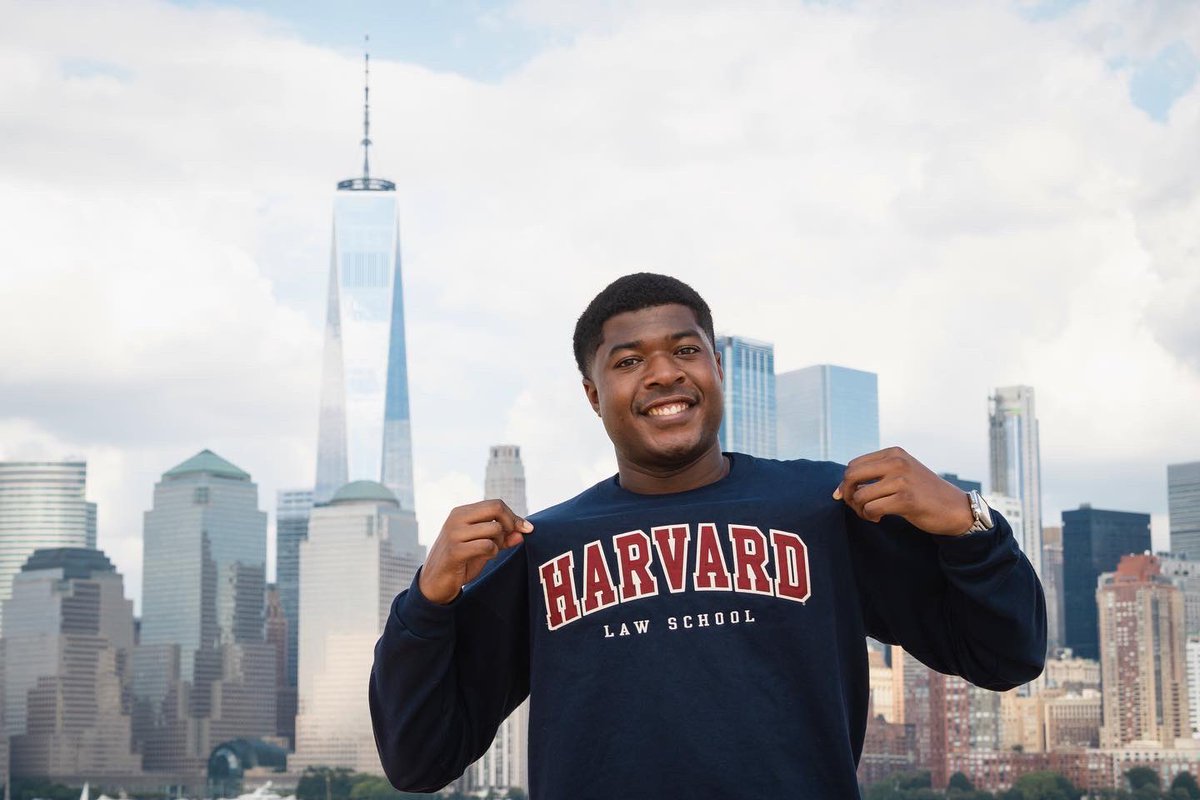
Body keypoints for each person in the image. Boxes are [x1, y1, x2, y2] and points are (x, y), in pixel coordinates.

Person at [370, 272, 1046, 799]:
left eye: (685, 350)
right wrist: (425, 605)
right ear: (592, 394)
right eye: (628, 361)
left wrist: (968, 524)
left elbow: (1005, 657)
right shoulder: (543, 546)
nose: (664, 372)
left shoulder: (826, 509)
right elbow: (419, 759)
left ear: (716, 368)